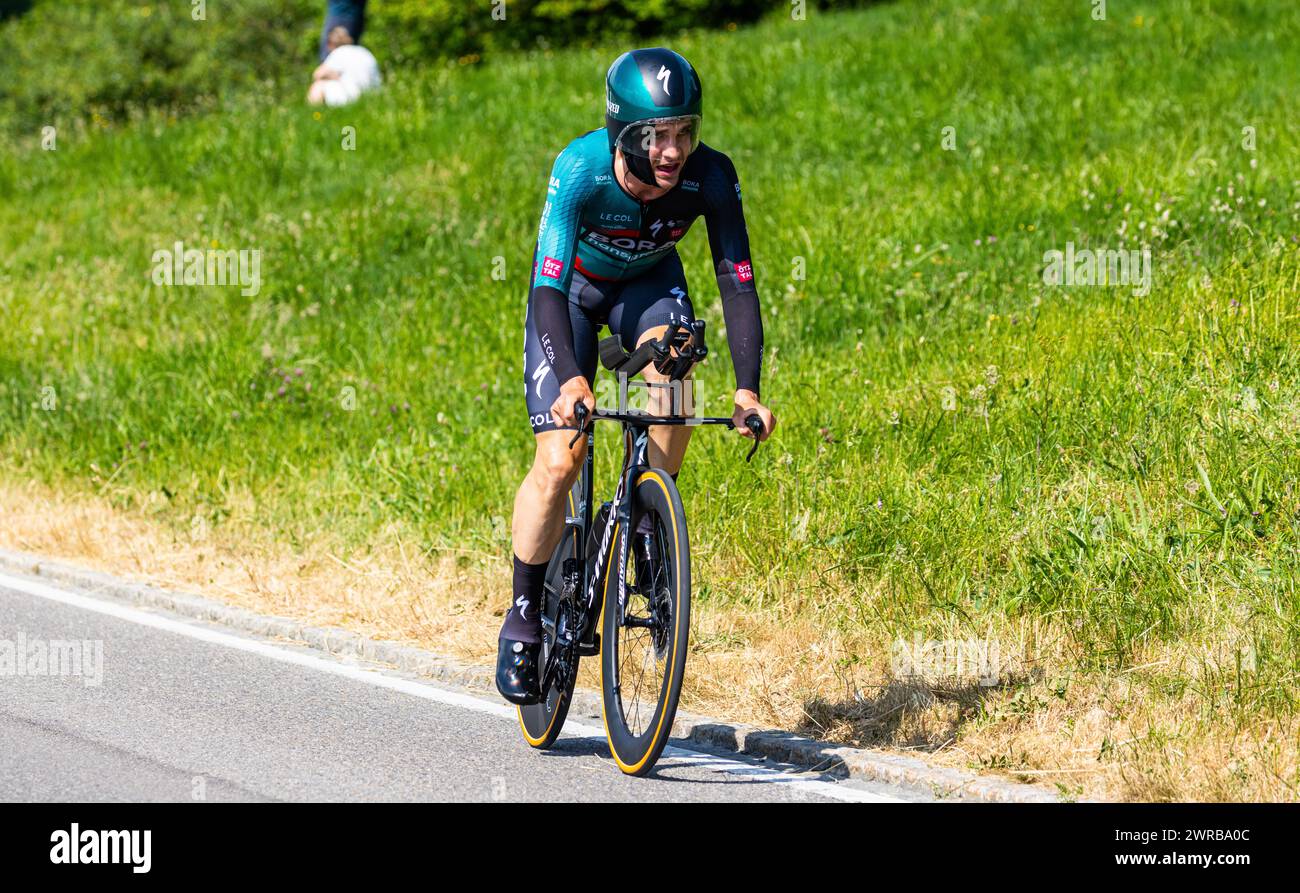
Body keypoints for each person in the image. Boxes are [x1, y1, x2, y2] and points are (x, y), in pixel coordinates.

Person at [496, 48, 776, 704]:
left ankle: (648, 519)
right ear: (625, 134)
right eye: (658, 137)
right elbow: (544, 289)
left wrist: (747, 389)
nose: (674, 150)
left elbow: (737, 281)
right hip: (569, 298)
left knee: (678, 362)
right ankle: (523, 616)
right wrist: (569, 378)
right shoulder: (581, 170)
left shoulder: (712, 177)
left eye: (684, 132)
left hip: (647, 289)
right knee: (561, 459)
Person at [307, 26, 381, 107]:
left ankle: (315, 111)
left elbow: (317, 74)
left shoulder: (338, 52)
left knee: (318, 85)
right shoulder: (364, 51)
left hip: (352, 97)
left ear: (330, 43)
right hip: (374, 96)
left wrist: (333, 76)